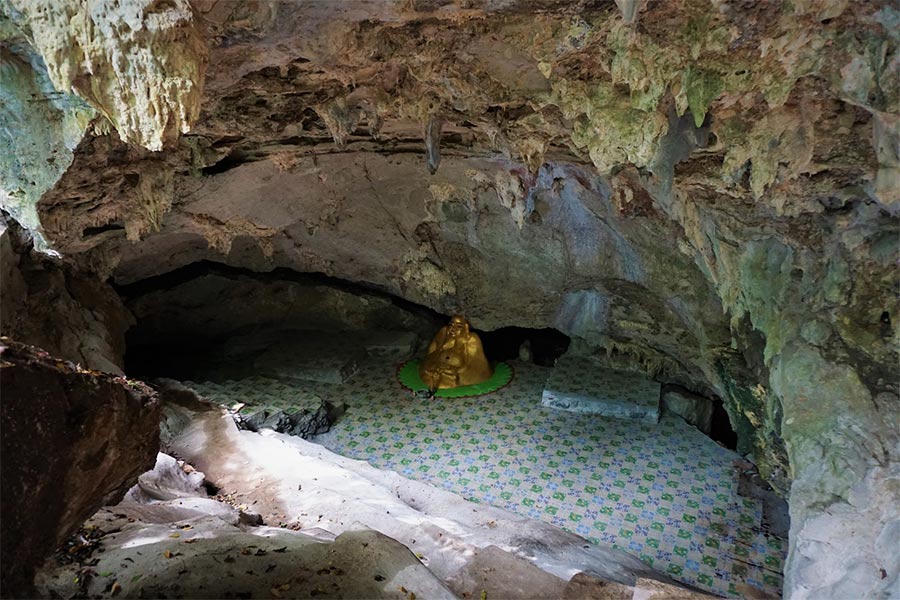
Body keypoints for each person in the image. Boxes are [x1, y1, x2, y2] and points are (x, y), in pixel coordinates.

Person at [419, 315, 493, 390]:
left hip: (456, 371)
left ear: (465, 328)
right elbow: (431, 353)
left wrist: (457, 370)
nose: (453, 329)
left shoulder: (471, 338)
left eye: (459, 327)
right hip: (438, 367)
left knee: (452, 377)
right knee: (429, 372)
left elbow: (475, 363)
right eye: (451, 325)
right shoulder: (444, 332)